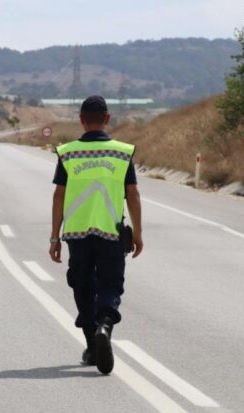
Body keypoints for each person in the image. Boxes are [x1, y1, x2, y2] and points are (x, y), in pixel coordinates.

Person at [49, 95, 143, 375]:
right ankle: (105, 325)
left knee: (82, 286)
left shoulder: (69, 152)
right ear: (107, 119)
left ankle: (92, 343)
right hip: (111, 233)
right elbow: (132, 194)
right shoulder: (121, 152)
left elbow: (59, 195)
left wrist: (54, 237)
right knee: (110, 285)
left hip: (77, 235)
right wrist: (138, 232)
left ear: (81, 119)